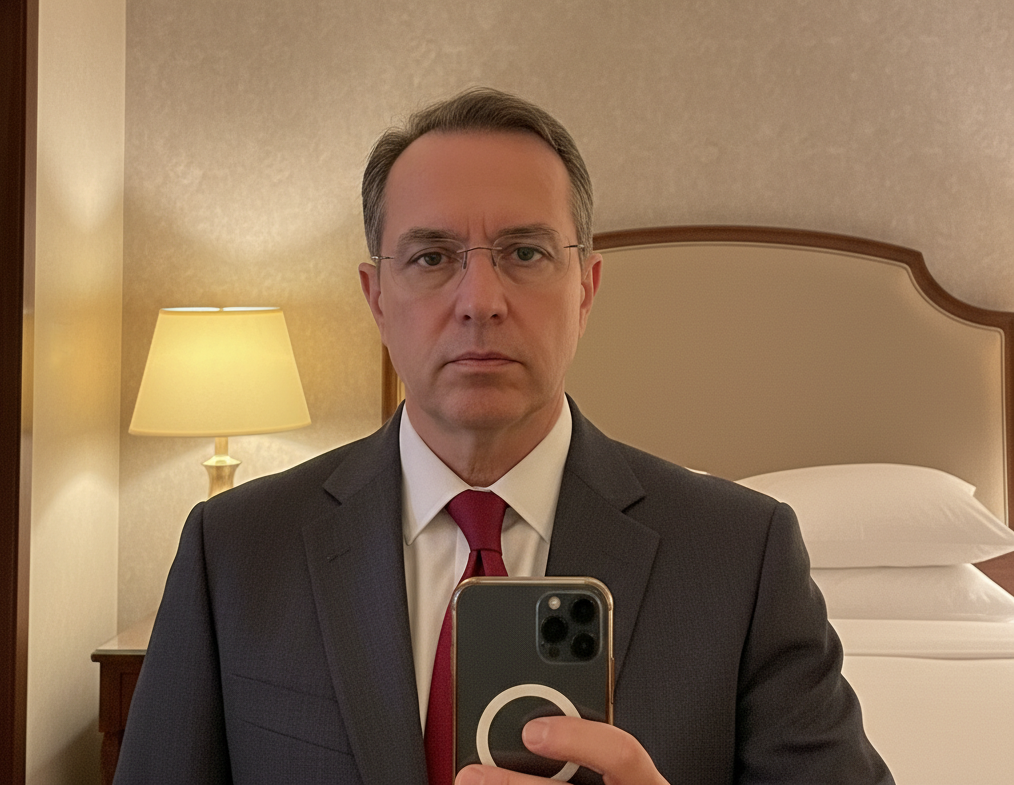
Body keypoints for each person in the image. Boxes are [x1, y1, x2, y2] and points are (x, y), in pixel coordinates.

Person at [115, 87, 893, 785]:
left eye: (525, 253)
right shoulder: (237, 551)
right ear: (376, 297)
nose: (480, 299)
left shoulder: (739, 556)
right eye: (432, 257)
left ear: (585, 290)